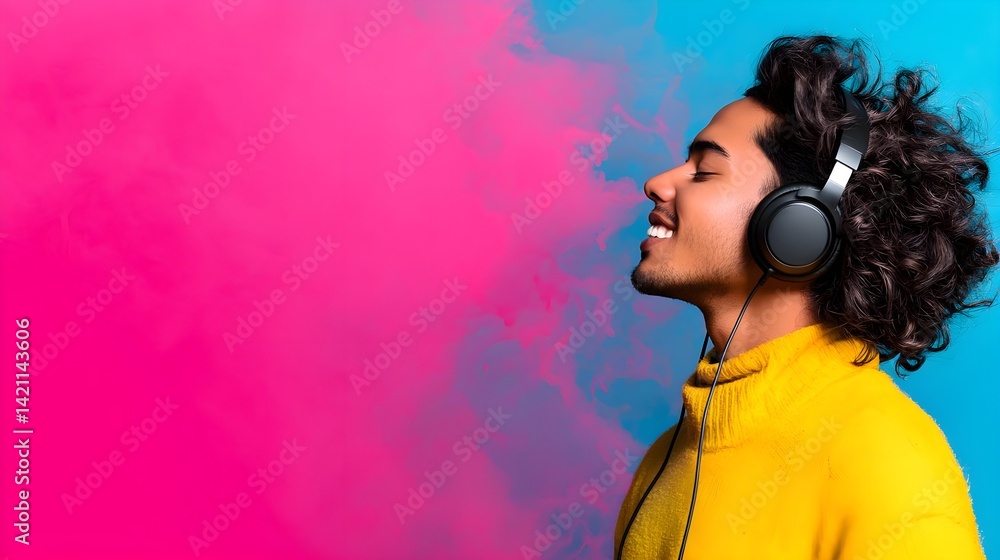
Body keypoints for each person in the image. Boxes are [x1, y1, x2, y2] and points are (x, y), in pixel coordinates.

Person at [614, 35, 998, 560]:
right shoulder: (664, 461)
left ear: (798, 228)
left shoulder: (883, 458)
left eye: (704, 170)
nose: (657, 183)